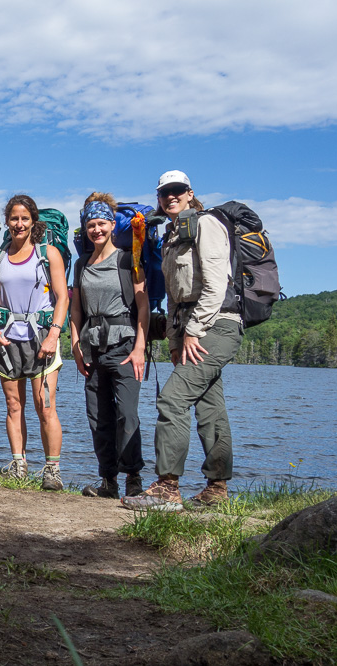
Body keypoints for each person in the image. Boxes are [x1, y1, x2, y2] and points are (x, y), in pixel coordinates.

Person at [123, 170, 243, 511]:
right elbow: (176, 295)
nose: (170, 197)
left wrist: (194, 331)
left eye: (177, 191)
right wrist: (176, 340)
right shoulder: (174, 235)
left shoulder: (206, 225)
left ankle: (167, 487)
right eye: (164, 193)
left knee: (172, 400)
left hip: (216, 325)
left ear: (190, 193)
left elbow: (216, 284)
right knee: (209, 407)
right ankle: (216, 488)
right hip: (192, 328)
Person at [0, 194, 69, 491]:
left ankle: (52, 469)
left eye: (24, 219)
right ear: (7, 221)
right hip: (6, 340)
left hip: (42, 338)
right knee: (13, 405)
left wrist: (55, 334)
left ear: (33, 222)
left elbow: (62, 297)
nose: (19, 224)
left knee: (45, 405)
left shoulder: (49, 253)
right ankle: (18, 464)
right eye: (14, 219)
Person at [69, 193, 148, 499]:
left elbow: (142, 305)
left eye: (102, 223)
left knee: (126, 414)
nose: (96, 230)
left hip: (125, 346)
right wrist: (75, 342)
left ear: (113, 225)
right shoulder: (81, 264)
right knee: (98, 416)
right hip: (92, 348)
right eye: (91, 225)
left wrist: (140, 346)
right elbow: (77, 309)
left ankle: (134, 479)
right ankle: (108, 482)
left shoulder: (129, 259)